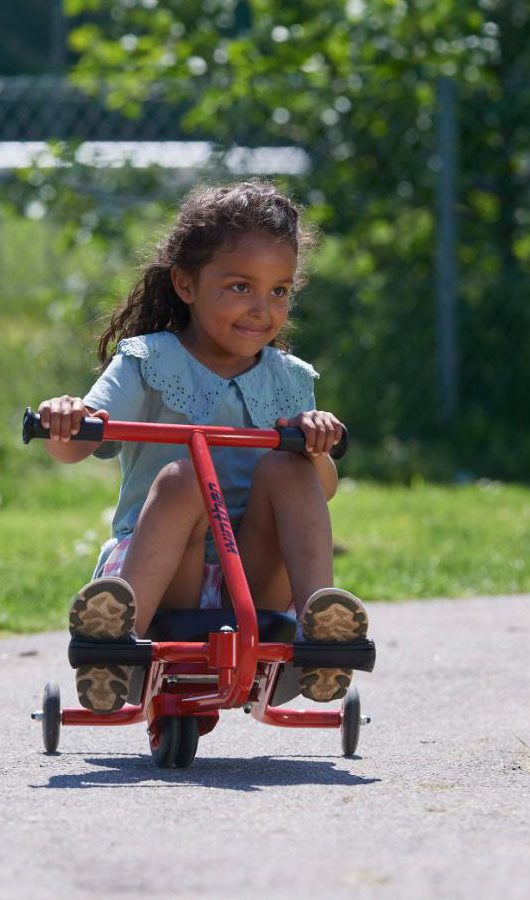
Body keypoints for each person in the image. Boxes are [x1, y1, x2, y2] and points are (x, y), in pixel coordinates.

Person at [37, 179, 368, 713]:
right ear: (186, 284)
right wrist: (67, 419)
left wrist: (314, 448)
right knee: (183, 474)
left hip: (255, 577)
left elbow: (320, 489)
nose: (262, 308)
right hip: (165, 570)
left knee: (289, 468)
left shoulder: (289, 378)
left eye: (279, 291)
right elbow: (78, 444)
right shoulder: (147, 360)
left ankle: (320, 635)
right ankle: (115, 648)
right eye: (240, 287)